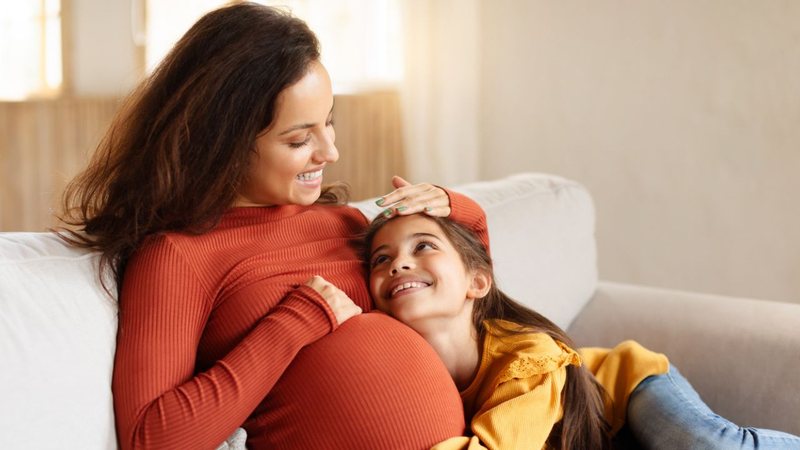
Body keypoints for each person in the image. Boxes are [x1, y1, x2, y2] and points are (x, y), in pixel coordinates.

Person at [58, 3, 489, 449]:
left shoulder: (350, 225)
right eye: (299, 140)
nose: (329, 153)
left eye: (329, 124)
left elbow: (475, 288)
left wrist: (450, 204)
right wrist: (291, 325)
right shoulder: (179, 255)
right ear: (222, 143)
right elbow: (152, 438)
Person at [363, 212, 800, 450]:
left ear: (477, 283)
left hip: (626, 389)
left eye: (423, 245)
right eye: (380, 259)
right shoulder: (403, 373)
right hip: (589, 438)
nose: (398, 262)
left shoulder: (528, 357)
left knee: (708, 447)